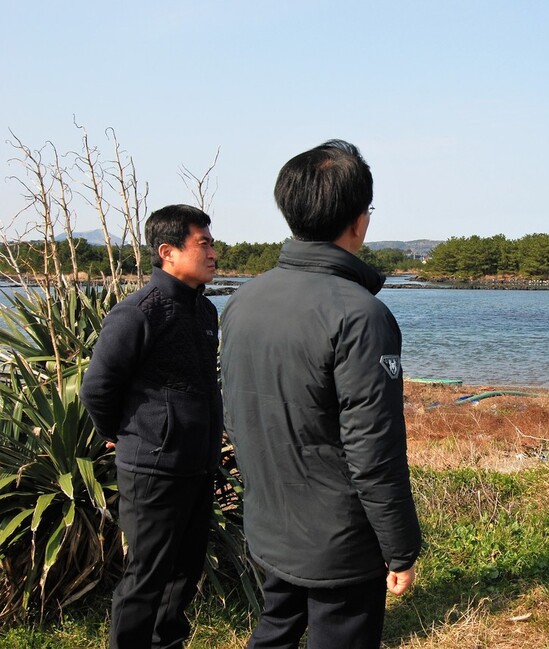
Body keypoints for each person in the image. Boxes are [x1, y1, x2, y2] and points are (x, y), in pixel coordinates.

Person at [220, 140, 422, 649]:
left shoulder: (244, 300)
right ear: (359, 220)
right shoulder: (360, 316)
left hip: (270, 523)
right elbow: (373, 450)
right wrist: (400, 548)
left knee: (275, 630)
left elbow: (235, 412)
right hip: (340, 541)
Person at [80, 204, 222, 649]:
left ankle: (168, 643)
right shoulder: (138, 312)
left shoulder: (203, 311)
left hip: (196, 463)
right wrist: (121, 433)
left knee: (185, 571)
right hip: (153, 467)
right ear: (168, 251)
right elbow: (98, 387)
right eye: (204, 243)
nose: (214, 253)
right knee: (147, 576)